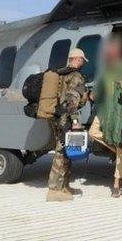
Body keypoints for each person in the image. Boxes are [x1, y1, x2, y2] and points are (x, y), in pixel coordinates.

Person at [88, 34, 122, 198]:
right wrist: (93, 94)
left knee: (121, 146)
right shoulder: (106, 70)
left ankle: (116, 183)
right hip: (105, 111)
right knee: (92, 132)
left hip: (120, 112)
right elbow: (98, 90)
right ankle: (116, 149)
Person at [46, 48, 88, 202]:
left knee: (67, 151)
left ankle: (64, 186)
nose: (83, 63)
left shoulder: (61, 74)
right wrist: (76, 122)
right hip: (66, 119)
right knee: (61, 151)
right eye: (82, 60)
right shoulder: (75, 76)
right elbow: (72, 101)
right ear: (76, 59)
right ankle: (54, 189)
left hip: (57, 117)